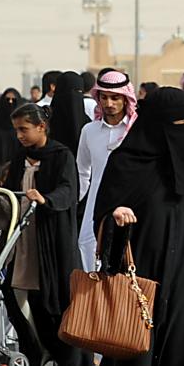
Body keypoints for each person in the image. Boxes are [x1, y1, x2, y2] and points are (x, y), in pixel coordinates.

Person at [93, 87, 184, 365]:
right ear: (159, 125)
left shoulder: (182, 167)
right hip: (138, 275)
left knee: (178, 345)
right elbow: (103, 216)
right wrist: (115, 216)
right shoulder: (125, 163)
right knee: (135, 351)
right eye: (181, 123)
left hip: (182, 277)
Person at [0, 103, 88, 366]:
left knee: (56, 297)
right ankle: (36, 349)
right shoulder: (19, 157)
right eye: (16, 130)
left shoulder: (61, 156)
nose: (19, 135)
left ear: (41, 127)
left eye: (24, 129)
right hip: (24, 239)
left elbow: (68, 190)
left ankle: (65, 356)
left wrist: (46, 199)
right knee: (16, 292)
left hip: (52, 239)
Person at [75, 70, 136, 270]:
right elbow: (83, 170)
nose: (109, 103)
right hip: (96, 202)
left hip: (130, 203)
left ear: (125, 99)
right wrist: (78, 201)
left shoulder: (136, 130)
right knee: (88, 248)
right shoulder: (89, 131)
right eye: (104, 97)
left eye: (115, 98)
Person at [49, 72, 92, 152]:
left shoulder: (89, 126)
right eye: (71, 92)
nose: (74, 97)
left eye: (79, 92)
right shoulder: (45, 124)